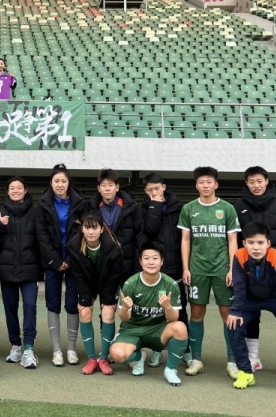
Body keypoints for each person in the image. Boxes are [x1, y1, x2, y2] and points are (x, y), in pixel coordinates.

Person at [226, 222, 276, 395]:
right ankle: (245, 372)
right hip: (249, 299)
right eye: (251, 242)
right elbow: (239, 286)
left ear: (268, 243)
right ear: (244, 243)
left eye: (260, 243)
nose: (256, 247)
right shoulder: (239, 256)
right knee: (233, 325)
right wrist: (235, 311)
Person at [234, 166, 276, 372]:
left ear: (267, 181)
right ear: (246, 183)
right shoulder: (237, 207)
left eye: (259, 181)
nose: (256, 185)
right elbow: (233, 239)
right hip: (248, 273)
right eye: (252, 182)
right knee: (250, 317)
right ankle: (253, 357)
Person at [178, 166, 240, 378]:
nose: (205, 186)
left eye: (209, 182)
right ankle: (196, 359)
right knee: (196, 313)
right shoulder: (188, 209)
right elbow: (186, 239)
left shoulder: (227, 209)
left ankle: (232, 361)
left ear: (216, 184)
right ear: (196, 185)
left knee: (227, 313)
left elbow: (233, 241)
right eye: (201, 182)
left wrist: (233, 269)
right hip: (197, 269)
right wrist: (186, 268)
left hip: (223, 269)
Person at [109, 241, 189, 386]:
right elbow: (124, 318)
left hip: (157, 330)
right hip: (133, 329)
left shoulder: (170, 285)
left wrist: (168, 307)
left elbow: (174, 318)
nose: (151, 262)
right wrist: (125, 308)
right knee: (117, 355)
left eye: (155, 258)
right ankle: (139, 357)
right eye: (146, 258)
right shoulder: (130, 284)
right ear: (140, 261)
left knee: (180, 328)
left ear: (162, 261)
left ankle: (170, 370)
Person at [36, 163, 87, 367]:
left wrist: (70, 259)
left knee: (72, 305)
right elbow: (42, 236)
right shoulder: (42, 205)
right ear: (51, 183)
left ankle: (71, 349)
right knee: (53, 304)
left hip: (74, 261)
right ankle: (57, 350)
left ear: (69, 183)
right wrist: (55, 261)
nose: (60, 184)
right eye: (56, 181)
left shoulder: (80, 203)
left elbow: (83, 232)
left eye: (63, 181)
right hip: (52, 263)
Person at [141, 173, 191, 369]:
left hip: (176, 266)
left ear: (164, 187)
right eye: (150, 190)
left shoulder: (179, 207)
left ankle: (185, 350)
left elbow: (186, 238)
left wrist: (185, 266)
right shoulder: (143, 209)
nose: (154, 192)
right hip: (156, 267)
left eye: (157, 188)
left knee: (180, 309)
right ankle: (157, 349)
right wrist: (154, 205)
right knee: (157, 311)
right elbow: (150, 231)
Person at [0, 177, 40, 369]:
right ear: (8, 191)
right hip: (7, 269)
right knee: (10, 309)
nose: (16, 190)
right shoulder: (0, 212)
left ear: (25, 190)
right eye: (12, 188)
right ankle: (16, 345)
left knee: (30, 307)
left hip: (29, 269)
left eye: (19, 187)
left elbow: (41, 239)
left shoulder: (35, 212)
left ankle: (29, 348)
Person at [67, 211, 123, 375]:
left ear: (101, 229)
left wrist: (108, 300)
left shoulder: (113, 248)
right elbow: (78, 274)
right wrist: (85, 298)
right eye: (87, 228)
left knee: (108, 313)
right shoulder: (74, 245)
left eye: (95, 228)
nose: (91, 232)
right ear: (82, 229)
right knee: (84, 312)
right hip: (87, 282)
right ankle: (92, 359)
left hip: (107, 282)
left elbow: (114, 276)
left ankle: (103, 358)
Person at [88, 168, 144, 281]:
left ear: (117, 187)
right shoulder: (91, 209)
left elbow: (140, 236)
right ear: (99, 188)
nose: (107, 189)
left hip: (127, 264)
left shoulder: (131, 207)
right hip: (103, 263)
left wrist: (139, 265)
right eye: (103, 185)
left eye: (111, 185)